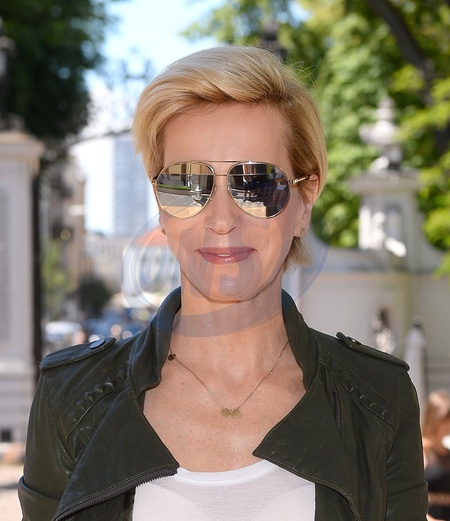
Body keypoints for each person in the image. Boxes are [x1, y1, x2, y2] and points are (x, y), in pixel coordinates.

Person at [19, 45, 427, 520]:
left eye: (256, 183)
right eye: (187, 184)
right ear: (161, 205)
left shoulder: (379, 400)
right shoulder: (69, 399)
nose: (221, 219)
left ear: (304, 202)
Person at [422, 390, 450, 521]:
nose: (448, 424)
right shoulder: (422, 452)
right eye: (445, 419)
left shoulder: (447, 452)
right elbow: (411, 496)